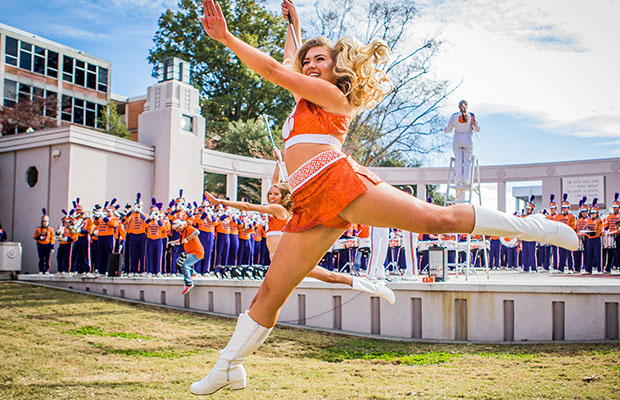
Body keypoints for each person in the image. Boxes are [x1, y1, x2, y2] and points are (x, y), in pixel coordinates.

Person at [191, 0, 577, 395]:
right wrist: (295, 23)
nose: (309, 65)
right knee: (271, 290)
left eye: (319, 59)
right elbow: (290, 60)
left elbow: (275, 69)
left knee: (437, 220)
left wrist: (225, 37)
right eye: (306, 60)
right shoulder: (302, 99)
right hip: (309, 202)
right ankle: (229, 367)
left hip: (337, 181)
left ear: (335, 67)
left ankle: (536, 227)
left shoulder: (331, 96)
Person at [206, 183, 396, 305]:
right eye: (270, 194)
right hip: (279, 261)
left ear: (283, 197)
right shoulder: (278, 210)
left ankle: (376, 287)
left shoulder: (277, 210)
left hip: (286, 259)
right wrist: (276, 161)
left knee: (329, 277)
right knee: (263, 298)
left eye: (276, 194)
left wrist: (220, 201)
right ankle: (240, 341)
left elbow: (248, 206)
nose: (272, 197)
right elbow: (275, 183)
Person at [444, 99, 480, 187]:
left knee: (458, 160)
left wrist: (445, 130)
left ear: (458, 107)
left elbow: (448, 130)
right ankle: (466, 180)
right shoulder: (471, 116)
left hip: (457, 140)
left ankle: (458, 180)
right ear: (466, 106)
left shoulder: (454, 116)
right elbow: (477, 129)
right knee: (467, 161)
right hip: (468, 140)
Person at [169, 219, 203, 294]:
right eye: (175, 229)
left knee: (184, 264)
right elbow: (181, 241)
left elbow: (197, 232)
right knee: (178, 261)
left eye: (177, 229)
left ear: (181, 226)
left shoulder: (188, 228)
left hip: (196, 252)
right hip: (190, 252)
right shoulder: (183, 232)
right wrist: (172, 242)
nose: (177, 230)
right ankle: (192, 273)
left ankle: (189, 283)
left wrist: (188, 238)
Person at [33, 208, 55, 274]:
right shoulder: (38, 229)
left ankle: (46, 270)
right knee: (41, 258)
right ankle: (41, 270)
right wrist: (39, 238)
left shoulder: (50, 229)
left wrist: (52, 247)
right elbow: (34, 236)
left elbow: (52, 238)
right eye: (44, 222)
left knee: (47, 258)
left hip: (47, 245)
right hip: (40, 244)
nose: (45, 223)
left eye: (46, 222)